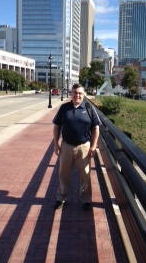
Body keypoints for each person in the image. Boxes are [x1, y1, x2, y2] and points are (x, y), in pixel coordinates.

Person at [52, 83, 101, 211]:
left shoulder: (89, 108)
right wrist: (56, 144)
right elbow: (56, 126)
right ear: (71, 93)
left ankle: (86, 200)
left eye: (80, 93)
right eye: (75, 92)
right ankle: (61, 198)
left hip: (84, 147)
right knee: (63, 174)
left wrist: (94, 146)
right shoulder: (64, 108)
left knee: (85, 174)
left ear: (83, 94)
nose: (77, 95)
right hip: (66, 146)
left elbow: (96, 128)